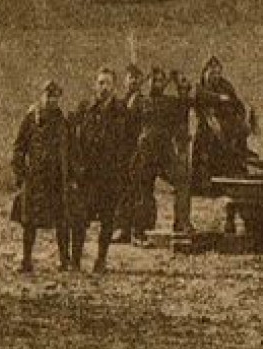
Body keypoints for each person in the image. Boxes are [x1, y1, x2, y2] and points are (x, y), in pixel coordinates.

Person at [69, 67, 136, 272]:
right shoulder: (85, 109)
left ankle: (101, 260)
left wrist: (123, 169)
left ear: (114, 87)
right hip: (87, 175)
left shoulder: (122, 112)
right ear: (94, 85)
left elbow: (131, 143)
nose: (103, 88)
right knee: (79, 218)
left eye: (107, 83)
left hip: (110, 175)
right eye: (100, 83)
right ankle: (75, 260)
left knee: (107, 220)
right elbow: (72, 137)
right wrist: (77, 167)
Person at [12, 80, 73, 273]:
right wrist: (20, 174)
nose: (51, 100)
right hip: (35, 179)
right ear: (42, 96)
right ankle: (27, 261)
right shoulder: (31, 119)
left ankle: (65, 261)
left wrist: (70, 177)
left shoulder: (62, 122)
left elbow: (70, 151)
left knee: (62, 221)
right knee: (29, 221)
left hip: (56, 181)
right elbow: (18, 147)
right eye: (48, 96)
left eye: (55, 97)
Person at [129, 68, 194, 238]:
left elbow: (185, 106)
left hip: (165, 154)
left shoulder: (169, 103)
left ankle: (181, 223)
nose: (155, 84)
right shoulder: (140, 101)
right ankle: (141, 229)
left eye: (159, 81)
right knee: (142, 190)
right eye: (153, 80)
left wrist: (181, 86)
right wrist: (133, 94)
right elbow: (127, 121)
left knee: (182, 180)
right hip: (145, 153)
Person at [113, 64, 146, 243]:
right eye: (130, 77)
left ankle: (137, 230)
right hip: (122, 152)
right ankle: (122, 228)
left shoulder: (143, 101)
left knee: (137, 191)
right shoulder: (120, 102)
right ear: (125, 80)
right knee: (122, 191)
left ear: (141, 81)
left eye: (136, 77)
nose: (133, 81)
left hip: (137, 151)